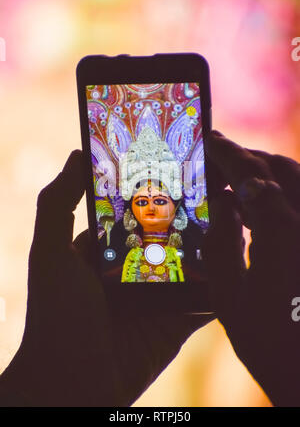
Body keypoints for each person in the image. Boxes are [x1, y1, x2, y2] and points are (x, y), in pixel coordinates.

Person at [0, 130, 299, 406]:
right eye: (142, 201)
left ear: (175, 204)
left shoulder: (193, 263)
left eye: (160, 200)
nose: (152, 208)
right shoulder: (120, 268)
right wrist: (46, 386)